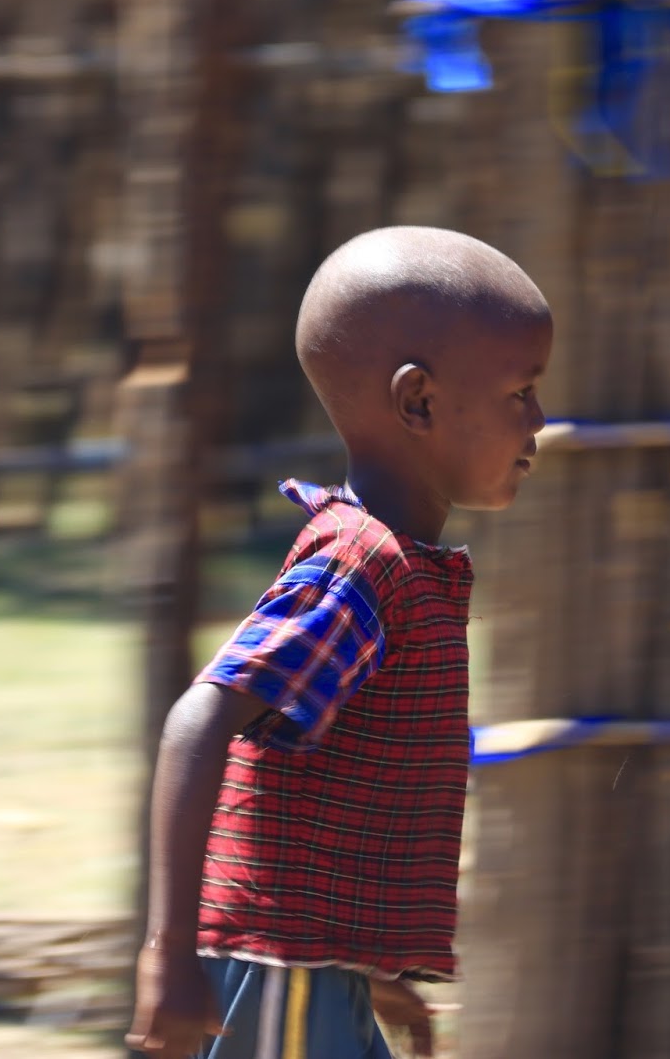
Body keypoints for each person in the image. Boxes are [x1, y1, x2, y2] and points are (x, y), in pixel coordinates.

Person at [126, 226, 552, 1059]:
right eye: (521, 392)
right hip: (282, 968)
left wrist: (366, 969)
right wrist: (167, 953)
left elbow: (319, 783)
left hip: (316, 969)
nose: (539, 420)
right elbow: (198, 721)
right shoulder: (360, 567)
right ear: (419, 401)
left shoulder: (396, 567)